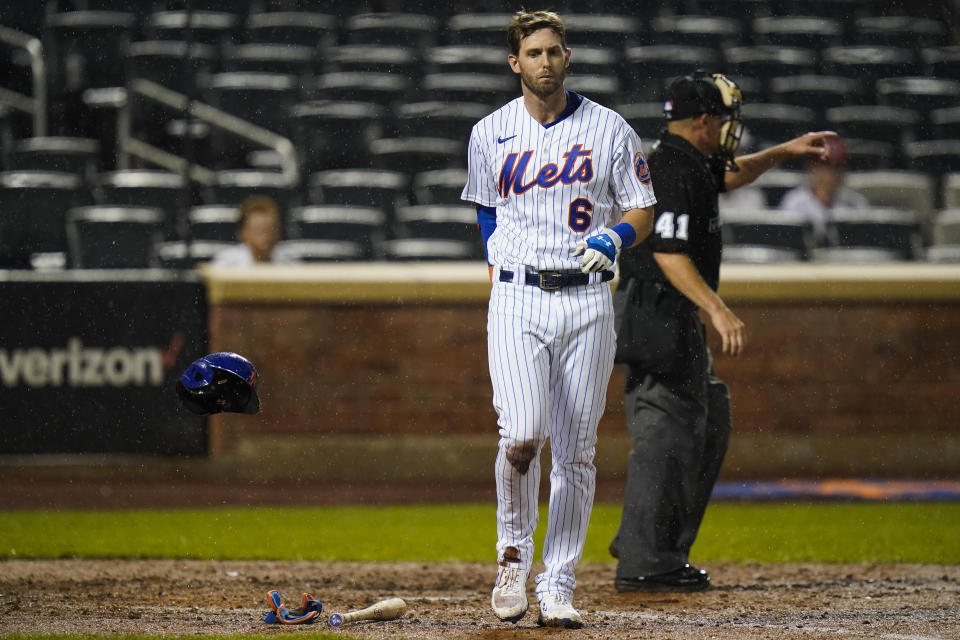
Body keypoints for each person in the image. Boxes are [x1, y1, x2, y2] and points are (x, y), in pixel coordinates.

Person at [460, 10, 656, 629]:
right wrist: (497, 262)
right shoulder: (488, 132)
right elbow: (487, 210)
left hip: (587, 299)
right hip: (518, 298)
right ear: (514, 63)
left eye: (554, 50)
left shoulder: (610, 129)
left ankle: (560, 581)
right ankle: (512, 556)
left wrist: (617, 237)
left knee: (576, 451)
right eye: (533, 52)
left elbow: (643, 209)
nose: (546, 60)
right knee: (520, 433)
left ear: (567, 58)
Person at [611, 71, 838, 593]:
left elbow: (731, 174)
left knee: (708, 416)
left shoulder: (686, 160)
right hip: (657, 311)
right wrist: (716, 309)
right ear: (706, 121)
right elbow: (667, 253)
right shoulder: (669, 168)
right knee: (666, 428)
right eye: (725, 120)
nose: (731, 131)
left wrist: (786, 150)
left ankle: (646, 536)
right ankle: (648, 560)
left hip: (666, 312)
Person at [778, 136, 870, 246]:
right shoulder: (794, 202)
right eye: (826, 166)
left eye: (838, 166)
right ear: (813, 168)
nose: (832, 173)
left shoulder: (856, 203)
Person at [211, 196, 299, 266]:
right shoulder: (227, 263)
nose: (266, 237)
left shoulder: (290, 262)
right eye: (258, 230)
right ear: (242, 233)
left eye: (270, 229)